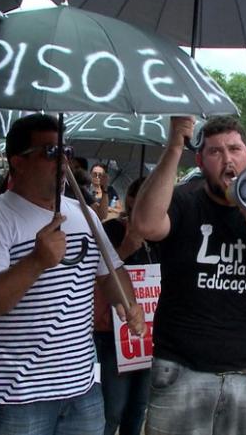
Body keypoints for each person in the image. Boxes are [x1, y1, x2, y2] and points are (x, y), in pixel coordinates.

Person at [0, 113, 146, 435]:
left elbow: (110, 272)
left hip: (82, 390)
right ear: (18, 162)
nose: (63, 161)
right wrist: (36, 261)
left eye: (66, 151)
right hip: (17, 398)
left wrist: (130, 304)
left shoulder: (84, 216)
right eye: (50, 152)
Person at [133, 115, 246, 435]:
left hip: (244, 372)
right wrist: (175, 146)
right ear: (201, 161)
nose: (227, 159)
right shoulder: (184, 203)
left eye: (234, 149)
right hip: (180, 370)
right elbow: (145, 224)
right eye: (215, 152)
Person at [94, 176, 158, 435]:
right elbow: (98, 274)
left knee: (138, 406)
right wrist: (126, 249)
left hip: (148, 335)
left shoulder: (163, 235)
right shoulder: (111, 230)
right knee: (112, 409)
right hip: (113, 333)